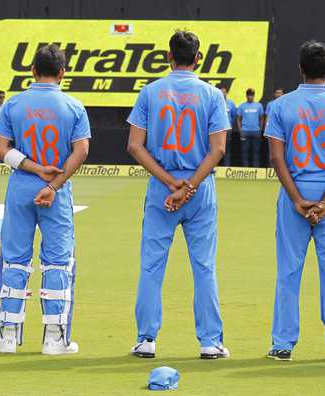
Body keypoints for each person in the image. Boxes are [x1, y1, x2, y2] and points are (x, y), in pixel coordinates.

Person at [127, 30, 230, 360]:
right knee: (204, 266)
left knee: (152, 266)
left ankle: (146, 339)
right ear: (198, 58)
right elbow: (218, 150)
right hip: (199, 189)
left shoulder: (151, 92)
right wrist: (189, 186)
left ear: (169, 57)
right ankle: (210, 341)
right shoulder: (212, 95)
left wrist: (171, 183)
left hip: (163, 188)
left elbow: (134, 146)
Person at [264, 40, 325, 363]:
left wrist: (297, 199)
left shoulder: (280, 106)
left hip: (295, 193)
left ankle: (282, 344)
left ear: (301, 69)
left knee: (289, 270)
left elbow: (277, 158)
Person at [0, 44, 90, 355]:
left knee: (14, 259)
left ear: (32, 70)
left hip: (21, 185)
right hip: (56, 192)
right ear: (62, 73)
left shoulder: (14, 104)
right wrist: (54, 183)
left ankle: (6, 336)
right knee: (58, 262)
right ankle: (54, 338)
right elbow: (82, 151)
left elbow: (0, 148)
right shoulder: (73, 105)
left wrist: (33, 168)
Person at [237, 88, 264, 167]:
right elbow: (238, 119)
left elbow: (262, 118)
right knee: (244, 151)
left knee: (256, 151)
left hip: (256, 131)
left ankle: (256, 168)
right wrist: (240, 130)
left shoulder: (259, 105)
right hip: (245, 131)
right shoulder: (242, 106)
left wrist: (260, 129)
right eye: (248, 95)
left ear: (254, 96)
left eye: (251, 95)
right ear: (246, 96)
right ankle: (245, 169)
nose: (250, 97)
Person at [217, 84, 236, 166]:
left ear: (227, 93)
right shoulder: (216, 103)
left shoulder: (231, 103)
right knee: (216, 149)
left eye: (224, 92)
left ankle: (226, 166)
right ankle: (215, 167)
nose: (223, 94)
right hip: (217, 130)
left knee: (227, 149)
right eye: (221, 92)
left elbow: (234, 116)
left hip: (227, 130)